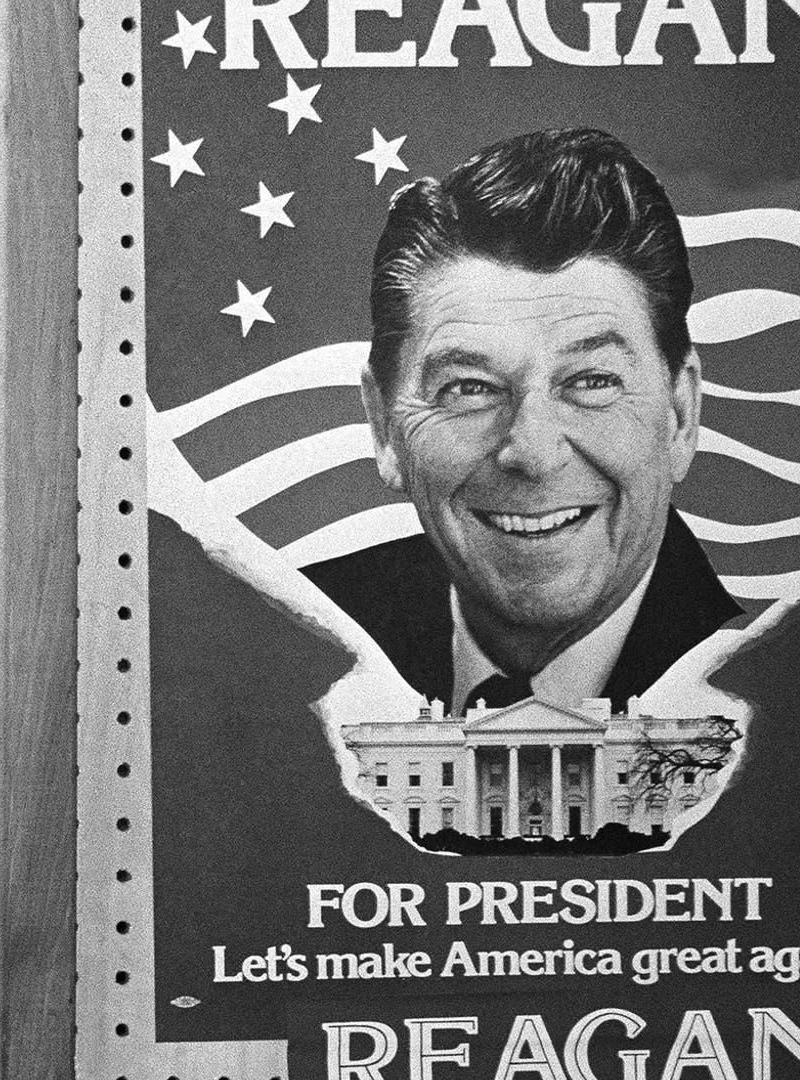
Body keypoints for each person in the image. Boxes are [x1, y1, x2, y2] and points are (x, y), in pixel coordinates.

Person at [304, 128, 742, 715]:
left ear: (680, 415)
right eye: (470, 389)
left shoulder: (778, 675)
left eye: (592, 381)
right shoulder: (292, 642)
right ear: (384, 426)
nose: (533, 454)